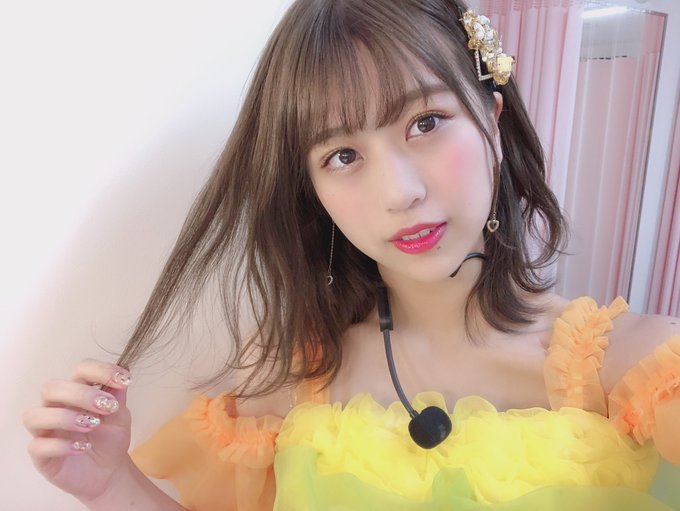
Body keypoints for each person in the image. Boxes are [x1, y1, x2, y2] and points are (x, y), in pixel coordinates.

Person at [23, 0, 680, 509]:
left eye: (425, 122)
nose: (399, 192)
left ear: (493, 122)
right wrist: (111, 483)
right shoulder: (287, 378)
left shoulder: (634, 371)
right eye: (343, 155)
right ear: (314, 191)